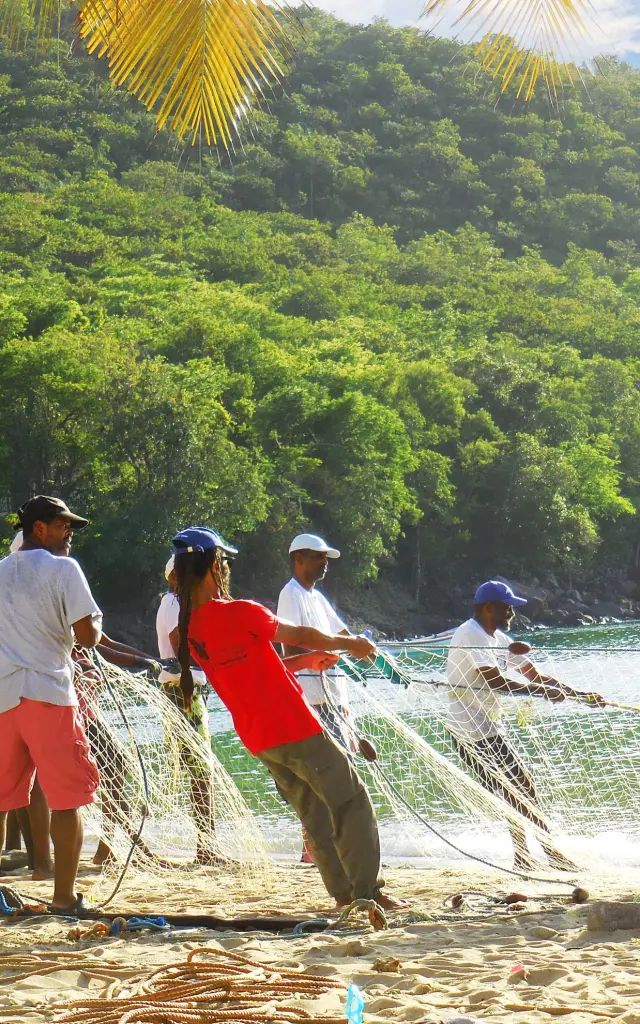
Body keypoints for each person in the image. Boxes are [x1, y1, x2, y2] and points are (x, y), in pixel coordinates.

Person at [172, 525, 407, 911]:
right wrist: (350, 643)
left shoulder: (185, 631)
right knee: (351, 801)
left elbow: (247, 668)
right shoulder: (241, 611)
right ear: (214, 566)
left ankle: (345, 896)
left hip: (260, 738)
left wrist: (305, 662)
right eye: (223, 561)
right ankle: (368, 893)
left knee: (315, 815)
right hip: (294, 725)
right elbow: (299, 633)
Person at [447, 579, 606, 871]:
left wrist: (580, 696)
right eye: (507, 608)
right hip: (470, 729)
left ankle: (524, 859)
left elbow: (535, 675)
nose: (512, 613)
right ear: (488, 608)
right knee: (522, 788)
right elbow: (495, 681)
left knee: (516, 791)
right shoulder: (471, 634)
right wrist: (541, 692)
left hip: (486, 726)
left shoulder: (497, 638)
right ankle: (549, 855)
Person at [0, 495, 102, 912]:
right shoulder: (64, 569)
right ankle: (63, 899)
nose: (69, 535)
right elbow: (88, 636)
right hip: (49, 694)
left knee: (2, 800)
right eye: (63, 526)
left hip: (4, 699)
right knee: (66, 799)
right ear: (39, 528)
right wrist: (96, 625)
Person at [277, 533, 355, 862]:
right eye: (318, 557)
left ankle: (321, 848)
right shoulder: (290, 595)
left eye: (325, 558)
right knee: (322, 776)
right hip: (311, 700)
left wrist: (364, 647)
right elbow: (290, 647)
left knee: (336, 773)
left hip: (332, 697)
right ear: (299, 560)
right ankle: (314, 850)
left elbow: (342, 635)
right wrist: (328, 650)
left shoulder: (317, 597)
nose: (325, 563)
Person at [155, 555, 222, 865]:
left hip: (186, 689)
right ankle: (207, 849)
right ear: (174, 578)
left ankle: (207, 846)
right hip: (183, 691)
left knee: (199, 771)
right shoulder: (173, 603)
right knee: (200, 771)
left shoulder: (178, 603)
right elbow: (179, 642)